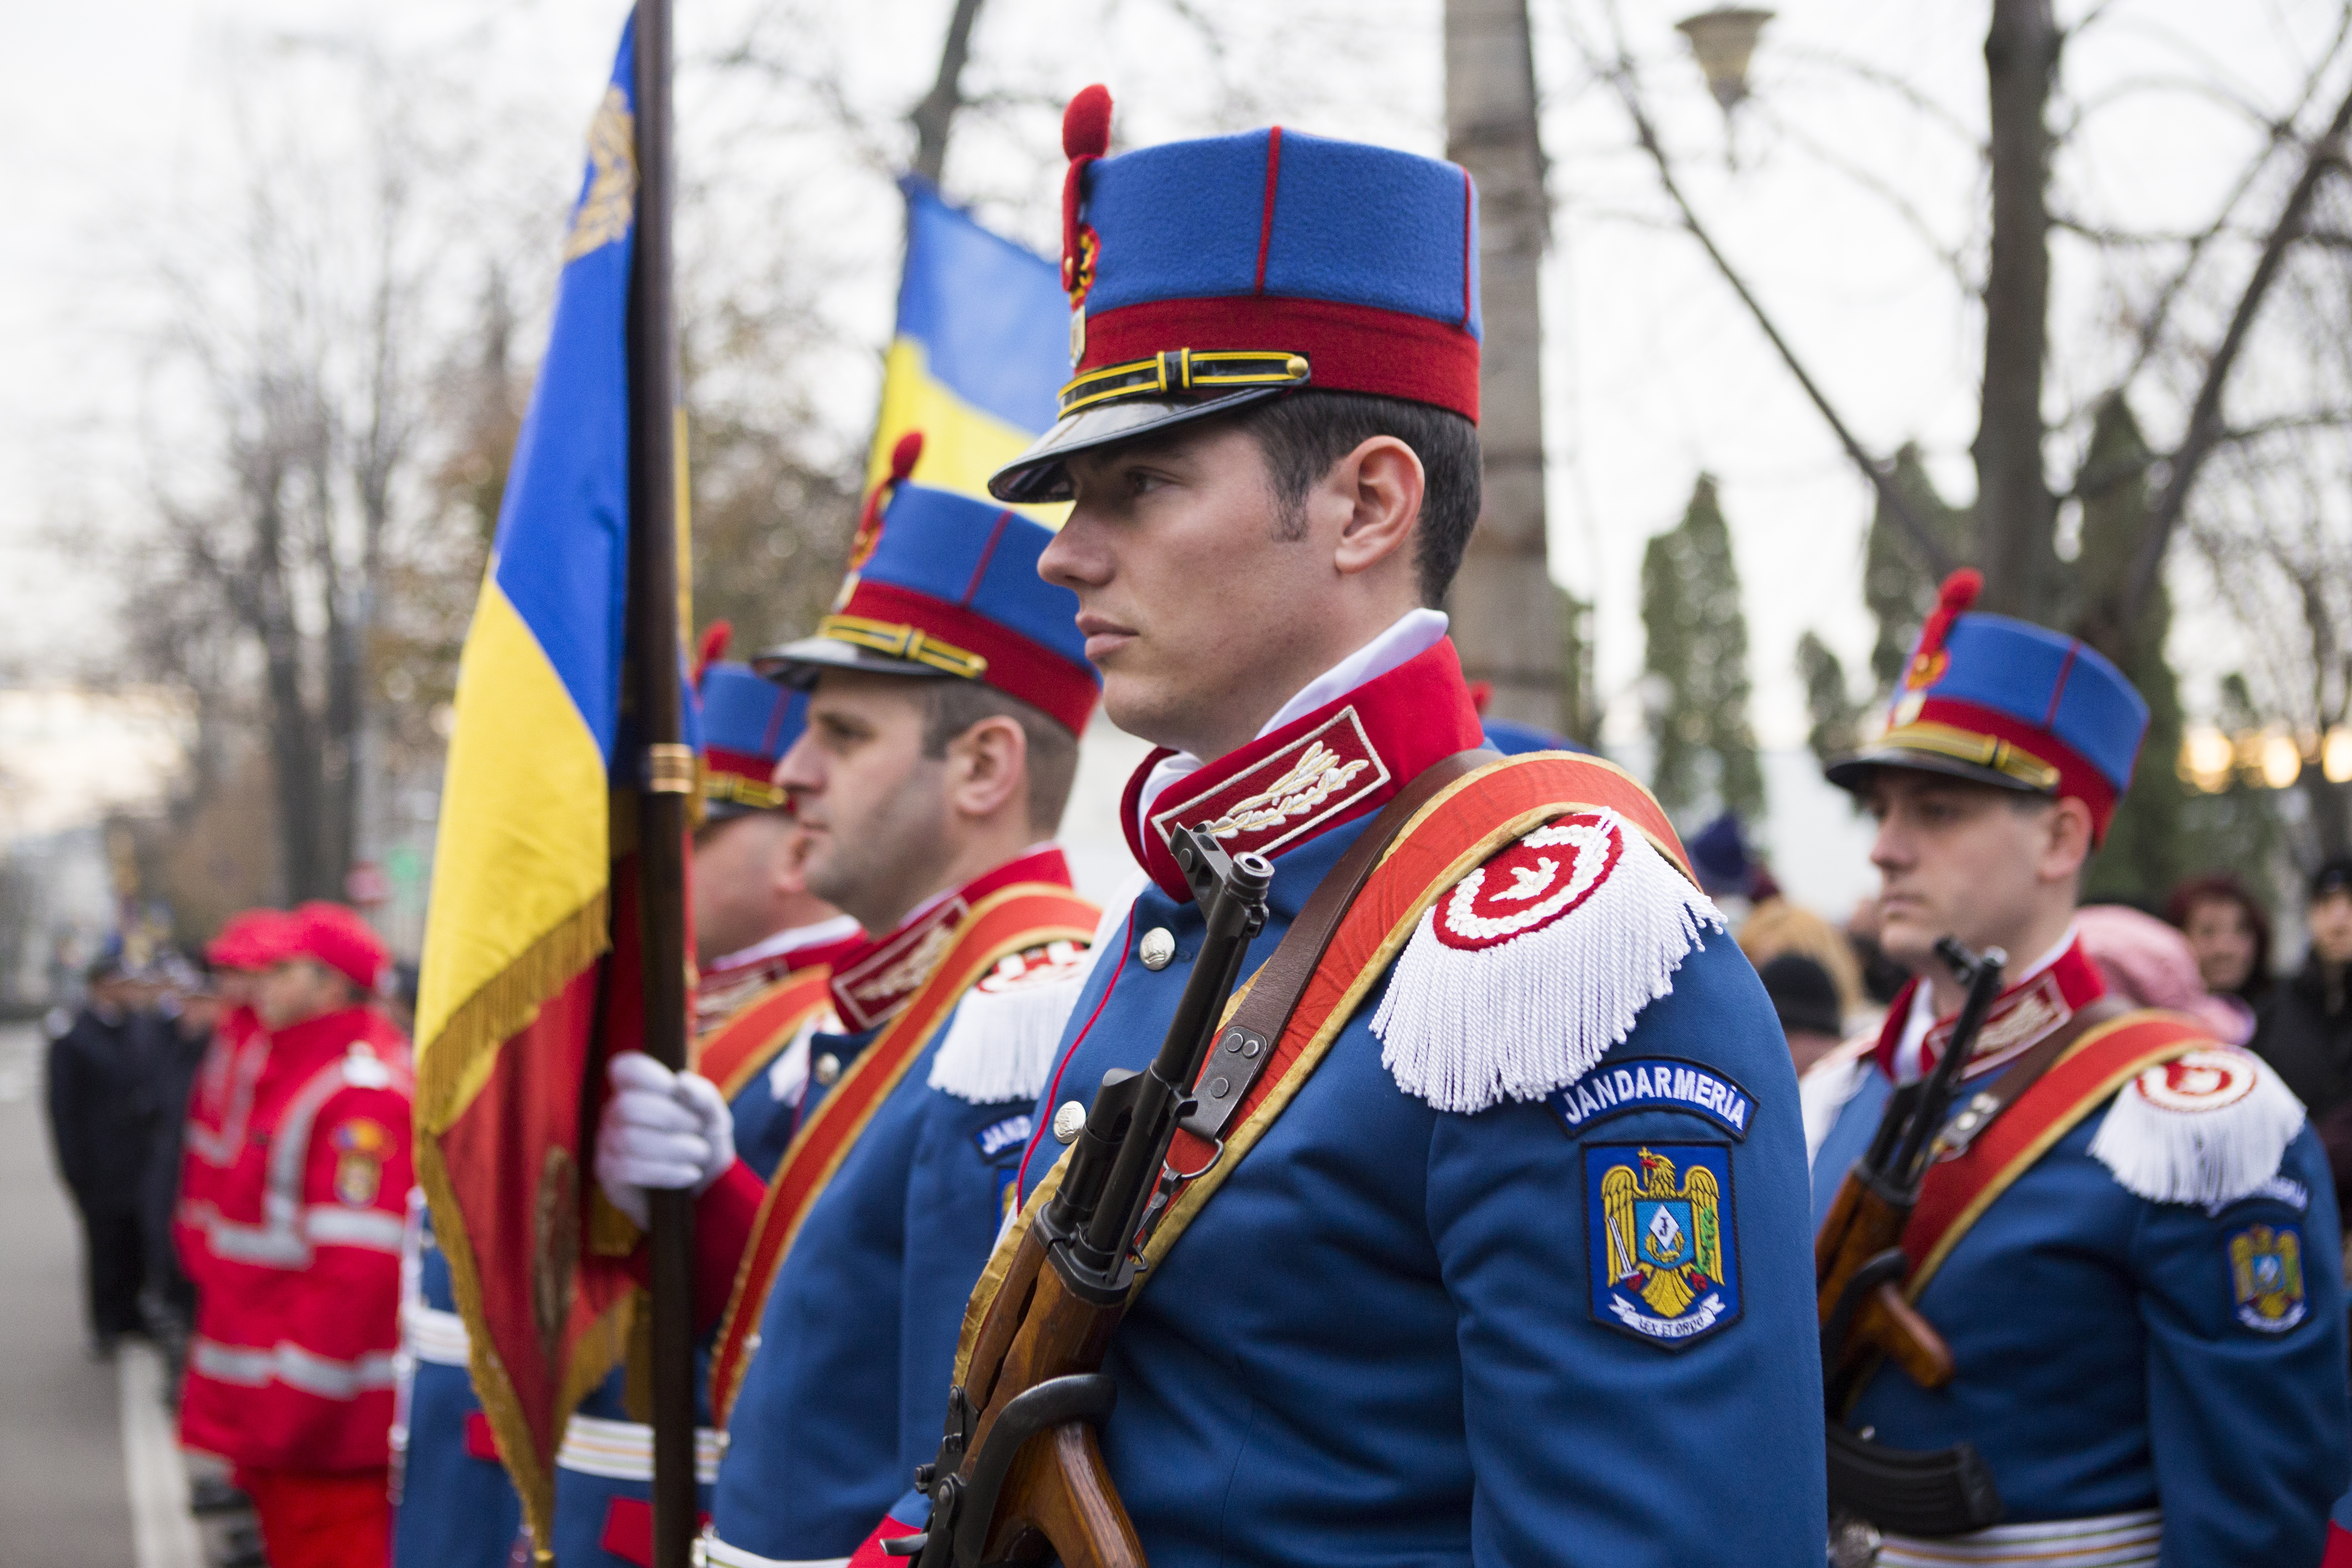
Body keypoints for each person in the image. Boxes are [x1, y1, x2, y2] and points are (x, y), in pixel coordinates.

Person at [852, 89, 1825, 1565]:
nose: (1063, 551)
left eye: (1142, 482)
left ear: (1368, 500)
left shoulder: (1555, 960)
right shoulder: (1191, 911)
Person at [592, 438, 1104, 1568]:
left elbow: (958, 1458)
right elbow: (834, 1345)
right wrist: (706, 1198)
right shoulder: (927, 992)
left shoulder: (1025, 1013)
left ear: (982, 769)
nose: (789, 777)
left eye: (844, 735)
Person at [1810, 569, 2348, 1562]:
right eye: (1880, 809)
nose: (1884, 848)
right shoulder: (1838, 1090)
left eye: (1934, 810)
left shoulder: (2193, 1126)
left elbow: (2253, 1511)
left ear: (2059, 837)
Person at [540, 640, 863, 1568]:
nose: (659, 856)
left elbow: (826, 1304)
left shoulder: (826, 1023)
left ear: (795, 852)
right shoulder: (701, 1001)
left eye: (695, 831)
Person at [178, 901, 414, 1568]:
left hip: (324, 1426)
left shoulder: (356, 1091)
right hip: (285, 1410)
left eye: (284, 970)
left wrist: (297, 1404)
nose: (264, 985)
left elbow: (357, 1275)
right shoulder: (303, 1066)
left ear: (331, 986)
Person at [45, 947, 167, 1356]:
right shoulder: (75, 1038)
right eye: (120, 982)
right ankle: (106, 1324)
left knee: (136, 1240)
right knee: (105, 1246)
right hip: (99, 1163)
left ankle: (134, 1316)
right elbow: (63, 1109)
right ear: (100, 986)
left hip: (139, 1159)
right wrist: (73, 1167)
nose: (128, 990)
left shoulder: (141, 1029)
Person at [2253, 856, 2352, 1198]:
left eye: (2351, 904)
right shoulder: (2272, 1012)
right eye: (2327, 905)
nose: (2340, 922)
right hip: (2293, 1204)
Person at [2164, 870, 2272, 1008]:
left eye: (2240, 930)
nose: (2224, 950)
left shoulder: (2290, 1010)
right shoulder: (2152, 1017)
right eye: (2207, 932)